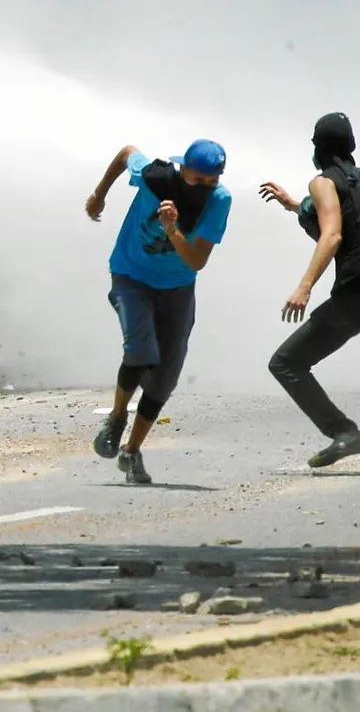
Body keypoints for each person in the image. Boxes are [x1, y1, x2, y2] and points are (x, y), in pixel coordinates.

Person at [260, 113, 360, 472]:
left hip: (359, 291)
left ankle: (344, 432)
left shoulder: (321, 182)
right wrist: (295, 206)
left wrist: (304, 287)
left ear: (318, 149)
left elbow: (332, 234)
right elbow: (352, 217)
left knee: (286, 363)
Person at [84, 139, 232, 485]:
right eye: (197, 181)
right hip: (131, 274)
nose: (204, 188)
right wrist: (99, 194)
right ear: (183, 171)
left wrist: (171, 229)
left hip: (178, 287)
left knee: (165, 375)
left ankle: (131, 451)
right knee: (140, 349)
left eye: (212, 181)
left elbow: (196, 260)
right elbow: (125, 153)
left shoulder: (219, 201)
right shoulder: (155, 177)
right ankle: (117, 418)